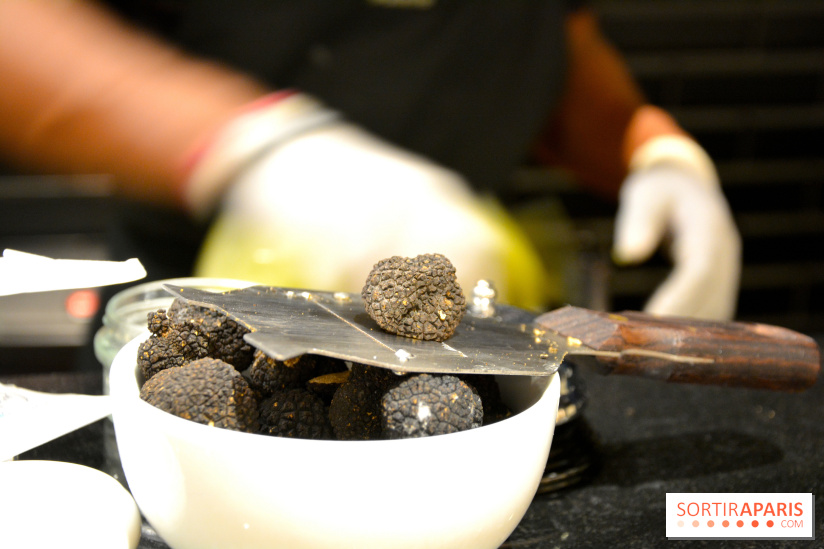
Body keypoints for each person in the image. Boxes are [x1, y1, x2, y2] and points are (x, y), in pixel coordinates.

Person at [0, 0, 740, 319]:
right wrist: (253, 151)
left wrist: (657, 150)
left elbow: (549, 39)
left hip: (456, 331)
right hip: (189, 331)